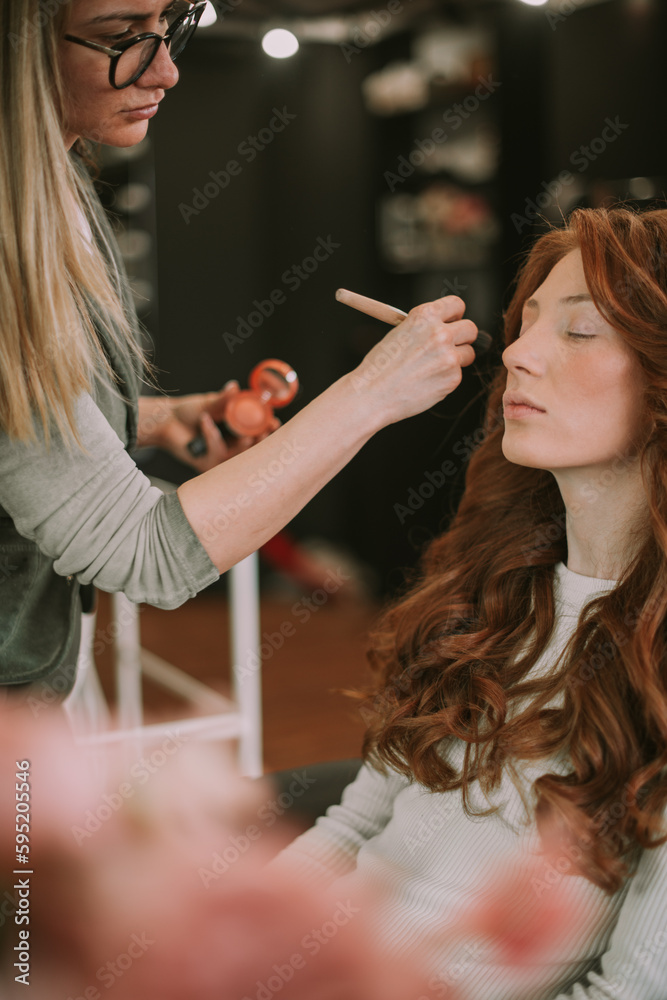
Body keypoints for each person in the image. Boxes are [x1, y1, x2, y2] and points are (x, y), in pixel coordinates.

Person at [0, 0, 480, 698]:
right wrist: (371, 393)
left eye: (168, 29)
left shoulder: (56, 188)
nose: (165, 70)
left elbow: (21, 419)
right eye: (122, 38)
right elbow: (147, 555)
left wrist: (161, 418)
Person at [271, 207, 667, 999]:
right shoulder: (486, 591)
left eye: (579, 332)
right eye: (523, 326)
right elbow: (351, 830)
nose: (516, 353)